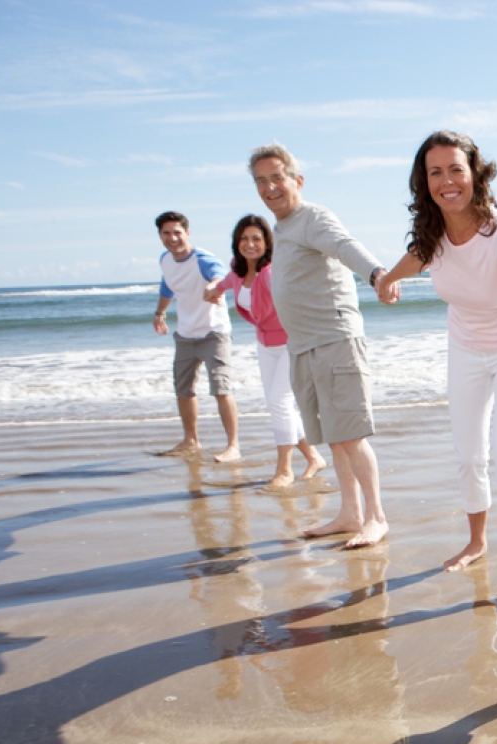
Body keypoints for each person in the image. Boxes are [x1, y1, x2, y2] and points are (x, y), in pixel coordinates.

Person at [376, 131, 497, 614]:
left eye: (456, 169)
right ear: (424, 182)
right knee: (469, 454)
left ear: (475, 174)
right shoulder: (434, 234)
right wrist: (388, 278)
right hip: (465, 349)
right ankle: (476, 541)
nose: (447, 181)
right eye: (435, 172)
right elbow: (420, 256)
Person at [249, 142, 392, 548]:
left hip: (334, 340)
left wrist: (377, 274)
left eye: (277, 177)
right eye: (261, 181)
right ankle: (350, 513)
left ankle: (376, 516)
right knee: (332, 433)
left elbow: (345, 246)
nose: (270, 187)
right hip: (304, 346)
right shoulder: (283, 226)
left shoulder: (312, 216)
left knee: (350, 434)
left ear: (297, 180)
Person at [203, 214, 326, 488]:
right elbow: (223, 285)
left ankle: (284, 470)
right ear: (236, 243)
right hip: (264, 345)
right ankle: (314, 457)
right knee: (278, 405)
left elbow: (294, 296)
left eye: (256, 238)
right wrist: (212, 289)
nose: (250, 244)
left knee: (278, 403)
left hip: (290, 344)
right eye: (244, 238)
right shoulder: (237, 272)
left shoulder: (271, 273)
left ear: (266, 242)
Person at [152, 211, 240, 461]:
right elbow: (167, 285)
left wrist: (213, 286)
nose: (173, 238)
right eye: (166, 233)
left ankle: (233, 446)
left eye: (177, 232)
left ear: (187, 233)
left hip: (214, 332)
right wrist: (160, 312)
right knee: (183, 389)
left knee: (221, 388)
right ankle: (191, 440)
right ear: (160, 236)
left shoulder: (203, 259)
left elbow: (220, 275)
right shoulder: (165, 260)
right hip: (185, 334)